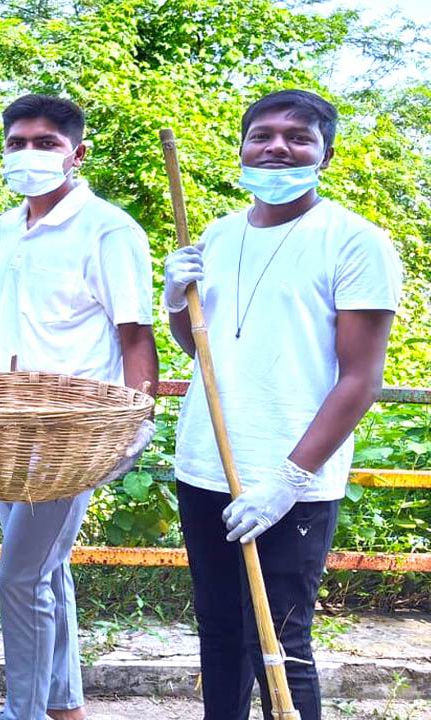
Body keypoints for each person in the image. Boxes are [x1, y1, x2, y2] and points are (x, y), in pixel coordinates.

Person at [163, 89, 402, 720]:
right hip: (206, 464)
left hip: (291, 479)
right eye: (262, 135)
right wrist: (175, 301)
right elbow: (204, 349)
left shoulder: (355, 242)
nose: (277, 147)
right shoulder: (216, 235)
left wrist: (288, 482)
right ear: (242, 148)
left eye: (298, 137)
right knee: (219, 633)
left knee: (281, 645)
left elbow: (361, 379)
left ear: (325, 154)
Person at [0, 94, 158, 720]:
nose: (29, 154)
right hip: (9, 425)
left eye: (46, 143)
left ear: (77, 153)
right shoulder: (2, 230)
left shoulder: (109, 230)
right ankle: (64, 706)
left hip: (73, 432)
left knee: (19, 577)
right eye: (17, 143)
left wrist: (138, 419)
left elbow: (135, 336)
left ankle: (24, 714)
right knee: (46, 570)